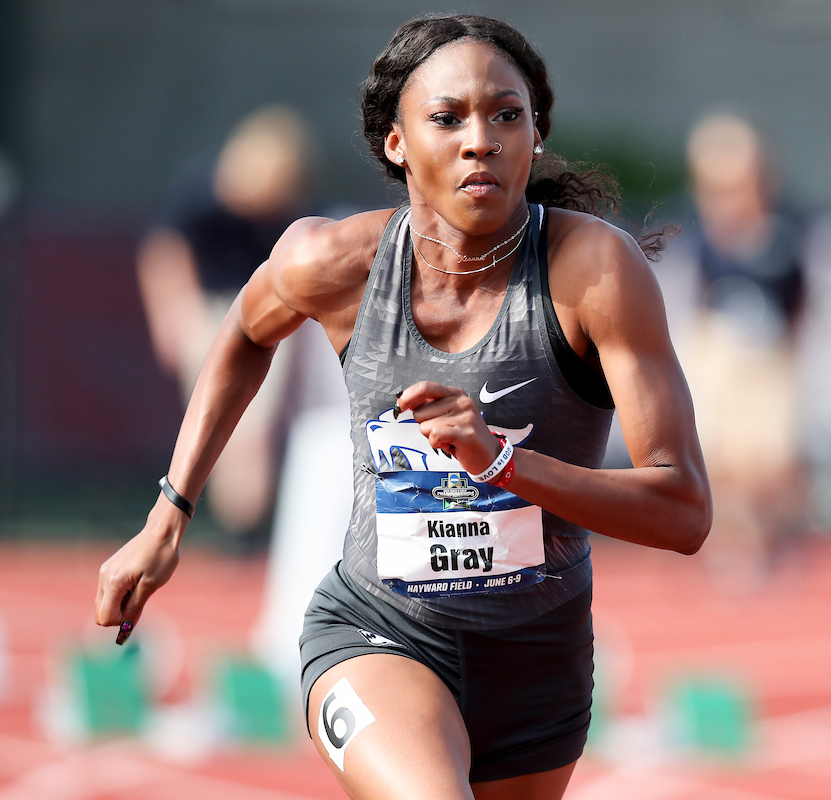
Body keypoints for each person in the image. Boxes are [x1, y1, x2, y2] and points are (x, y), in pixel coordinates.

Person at [95, 15, 710, 800]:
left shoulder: (592, 273)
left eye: (506, 115)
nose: (479, 139)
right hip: (377, 631)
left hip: (538, 663)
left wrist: (503, 463)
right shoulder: (334, 261)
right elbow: (244, 334)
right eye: (448, 118)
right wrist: (168, 515)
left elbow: (684, 511)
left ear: (536, 134)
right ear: (396, 143)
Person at [136, 105, 314, 546]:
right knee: (215, 426)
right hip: (211, 314)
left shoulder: (285, 206)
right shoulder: (205, 193)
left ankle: (245, 528)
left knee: (255, 429)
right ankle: (235, 522)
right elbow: (163, 253)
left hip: (266, 318)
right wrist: (172, 317)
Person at [672, 113, 806, 586]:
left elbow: (799, 300)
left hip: (768, 357)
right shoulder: (704, 230)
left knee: (767, 462)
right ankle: (736, 548)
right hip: (720, 350)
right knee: (722, 458)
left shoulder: (786, 230)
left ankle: (777, 541)